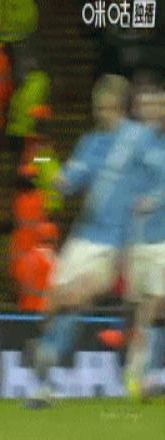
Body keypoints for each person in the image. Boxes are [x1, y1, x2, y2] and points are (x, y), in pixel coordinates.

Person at [26, 75, 156, 407]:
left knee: (78, 294)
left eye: (109, 108)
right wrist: (41, 156)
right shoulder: (91, 143)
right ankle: (45, 379)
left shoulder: (139, 139)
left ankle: (139, 369)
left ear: (122, 107)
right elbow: (64, 183)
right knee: (55, 306)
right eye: (99, 108)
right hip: (83, 237)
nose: (103, 114)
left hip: (116, 242)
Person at [124, 87, 164, 400]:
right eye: (146, 105)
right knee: (144, 309)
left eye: (158, 105)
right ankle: (138, 373)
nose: (153, 110)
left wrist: (154, 199)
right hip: (138, 239)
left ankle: (147, 372)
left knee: (157, 300)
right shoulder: (132, 146)